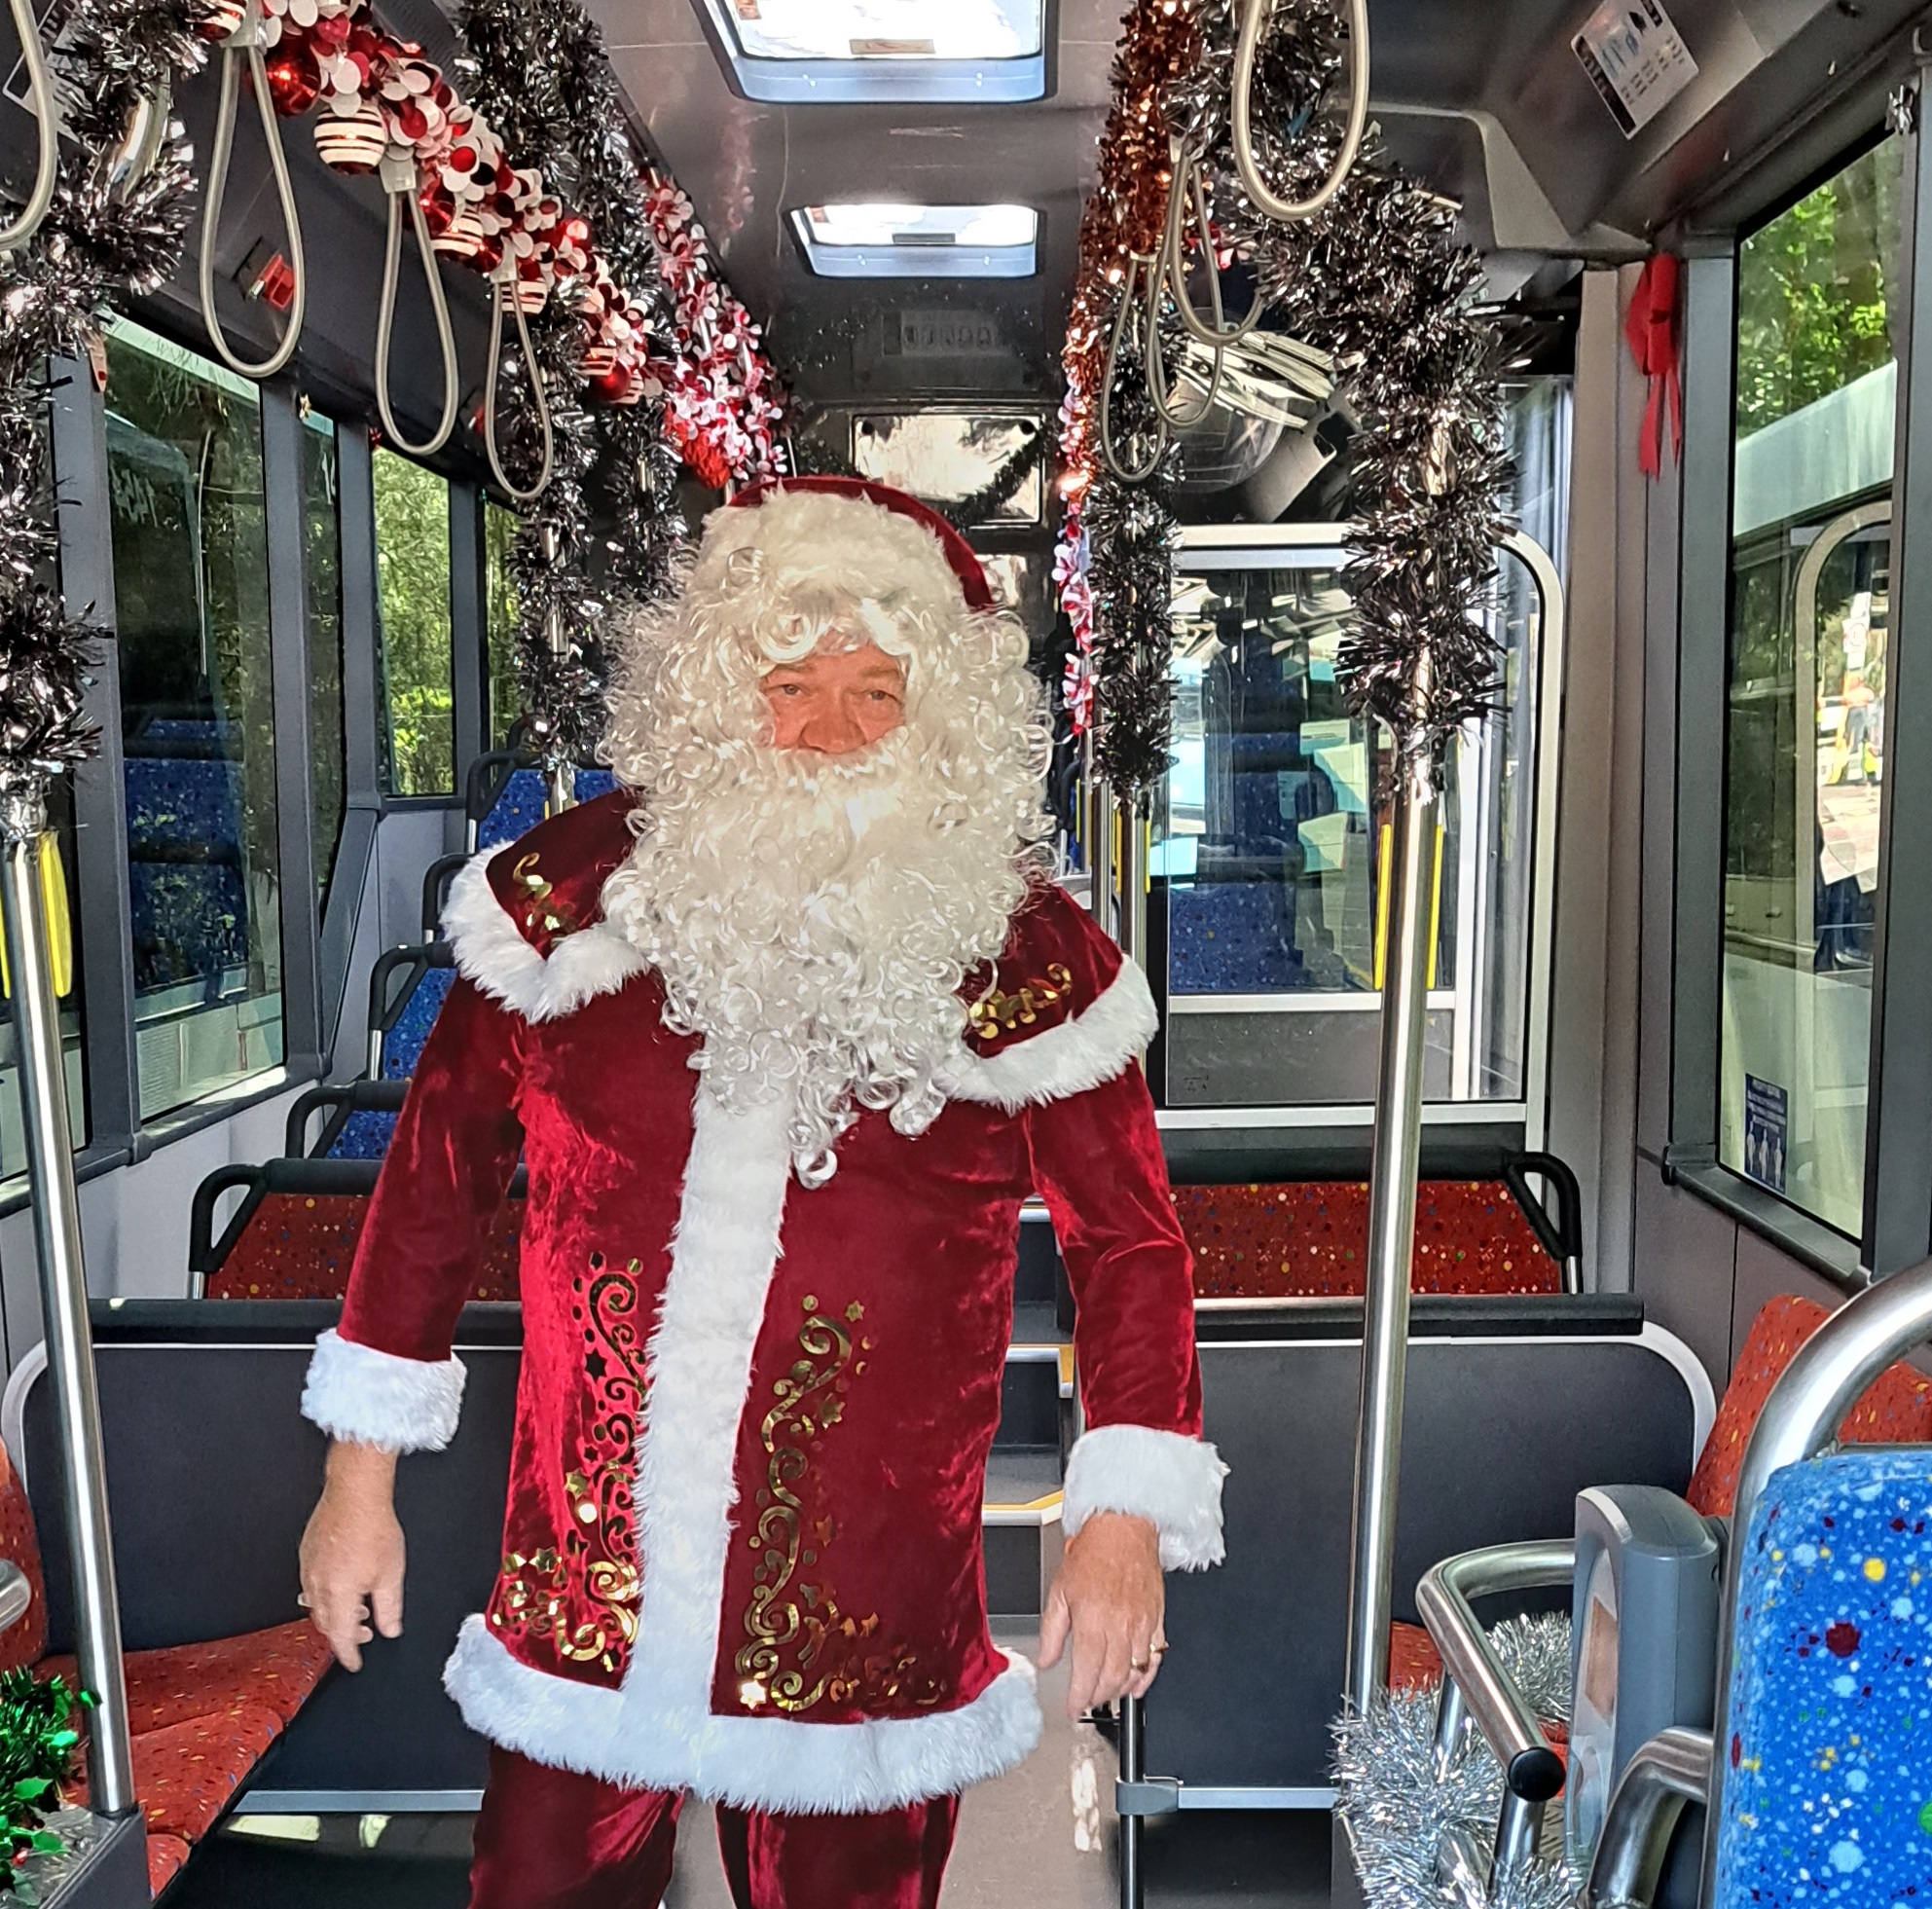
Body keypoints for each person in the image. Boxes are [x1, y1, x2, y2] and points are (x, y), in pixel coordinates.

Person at [296, 476, 1223, 1908]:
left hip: (868, 1615)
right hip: (587, 1593)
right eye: (787, 686)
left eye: (876, 694)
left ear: (946, 723)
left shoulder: (1026, 953)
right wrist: (358, 1482)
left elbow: (1131, 1249)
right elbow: (428, 1193)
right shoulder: (564, 905)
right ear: (713, 697)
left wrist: (1120, 1521)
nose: (829, 735)